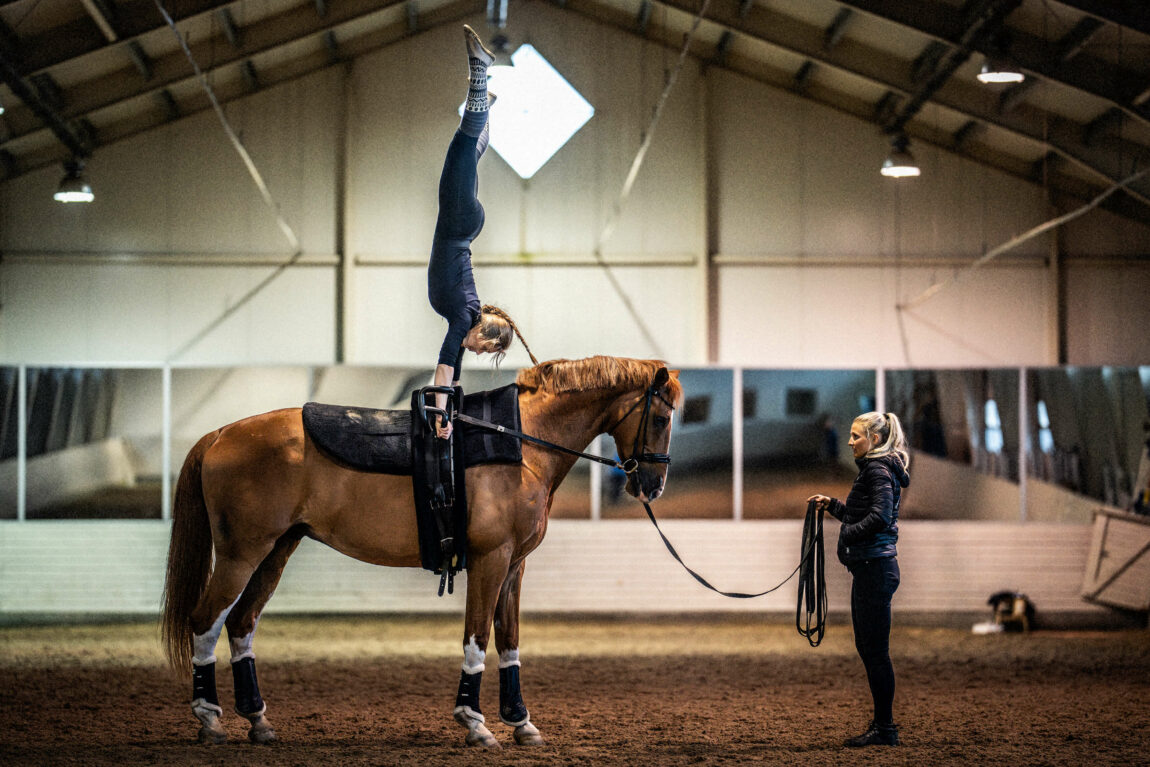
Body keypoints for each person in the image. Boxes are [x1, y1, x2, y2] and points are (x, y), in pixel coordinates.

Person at [428, 25, 536, 440]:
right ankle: (480, 70)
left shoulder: (462, 321)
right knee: (461, 148)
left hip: (462, 226)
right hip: (457, 227)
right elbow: (442, 370)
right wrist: (440, 418)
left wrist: (449, 412)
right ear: (483, 331)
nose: (478, 350)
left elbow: (450, 376)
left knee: (465, 156)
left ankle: (485, 102)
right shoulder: (462, 317)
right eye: (486, 346)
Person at [808, 411, 910, 748]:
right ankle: (883, 726)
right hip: (871, 569)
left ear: (875, 440)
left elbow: (879, 516)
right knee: (869, 649)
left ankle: (885, 728)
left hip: (874, 570)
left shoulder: (877, 470)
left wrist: (848, 534)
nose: (850, 442)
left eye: (856, 436)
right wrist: (834, 506)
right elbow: (868, 510)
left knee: (875, 652)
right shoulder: (876, 470)